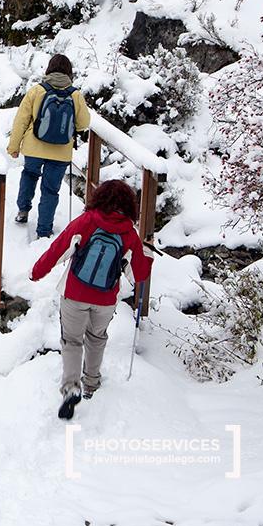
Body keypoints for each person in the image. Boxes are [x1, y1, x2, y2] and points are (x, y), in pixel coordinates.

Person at [30, 179, 153, 420]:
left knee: (72, 340)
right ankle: (92, 383)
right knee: (97, 338)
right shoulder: (129, 233)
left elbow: (59, 248)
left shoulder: (87, 221)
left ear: (100, 197)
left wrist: (37, 272)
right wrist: (147, 253)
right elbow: (139, 274)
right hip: (105, 299)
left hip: (75, 293)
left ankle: (71, 386)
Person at [7, 54, 90, 238]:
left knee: (29, 175)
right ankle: (44, 231)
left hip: (33, 147)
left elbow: (21, 120)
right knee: (51, 190)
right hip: (61, 152)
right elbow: (84, 123)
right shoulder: (75, 95)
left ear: (49, 69)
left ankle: (23, 211)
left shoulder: (37, 91)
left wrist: (14, 146)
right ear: (69, 72)